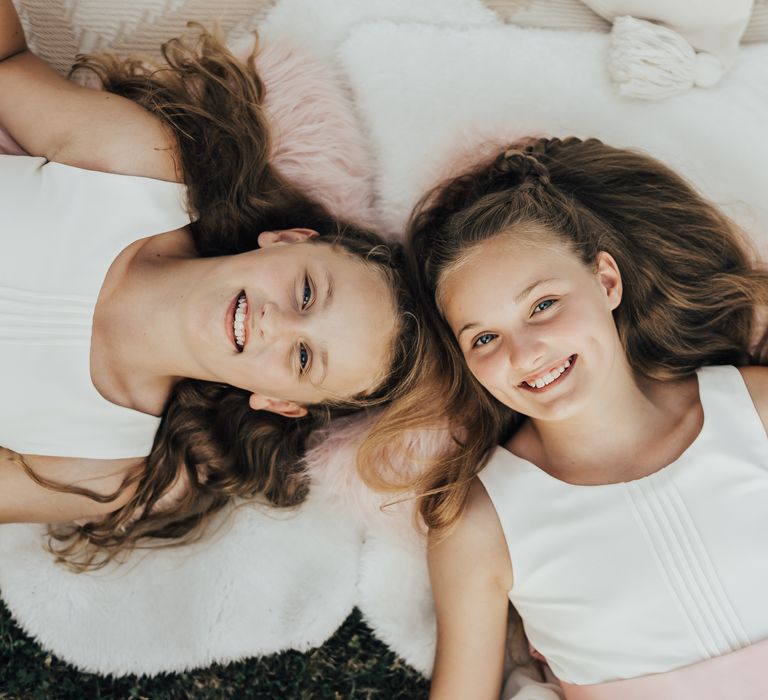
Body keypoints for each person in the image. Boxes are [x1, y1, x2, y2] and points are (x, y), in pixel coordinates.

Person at [0, 2, 423, 570]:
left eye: (303, 358)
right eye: (306, 294)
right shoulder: (134, 167)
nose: (279, 323)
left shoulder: (97, 465)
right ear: (290, 239)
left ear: (280, 402)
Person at [403, 136, 768, 698]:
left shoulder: (756, 412)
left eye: (543, 305)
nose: (524, 354)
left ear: (605, 281)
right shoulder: (481, 524)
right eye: (484, 337)